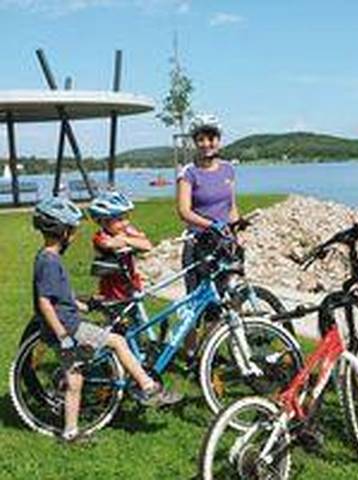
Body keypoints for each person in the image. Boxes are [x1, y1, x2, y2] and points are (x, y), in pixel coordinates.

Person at [31, 198, 181, 443]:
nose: (75, 236)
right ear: (63, 232)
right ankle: (148, 387)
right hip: (68, 328)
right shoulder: (49, 262)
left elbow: (58, 298)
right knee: (118, 342)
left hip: (66, 323)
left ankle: (70, 432)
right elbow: (45, 302)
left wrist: (82, 304)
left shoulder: (47, 257)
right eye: (72, 231)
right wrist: (63, 335)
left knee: (75, 381)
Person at [176, 113, 240, 293]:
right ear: (195, 143)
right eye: (201, 139)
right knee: (199, 298)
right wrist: (212, 225)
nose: (206, 144)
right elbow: (184, 211)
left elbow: (231, 206)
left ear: (218, 140)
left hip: (223, 243)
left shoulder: (228, 169)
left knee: (227, 295)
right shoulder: (188, 173)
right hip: (199, 244)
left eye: (211, 138)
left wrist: (235, 234)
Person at [89, 191, 152, 300]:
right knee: (121, 311)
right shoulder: (100, 237)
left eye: (126, 217)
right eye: (120, 220)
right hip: (113, 292)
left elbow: (147, 246)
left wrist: (127, 239)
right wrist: (134, 238)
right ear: (104, 222)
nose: (126, 223)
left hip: (131, 285)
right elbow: (109, 243)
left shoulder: (124, 234)